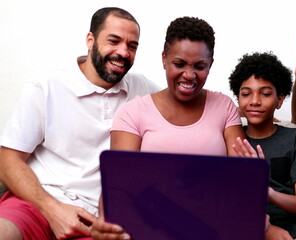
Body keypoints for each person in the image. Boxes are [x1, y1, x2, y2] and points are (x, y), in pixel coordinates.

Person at [0, 7, 161, 240]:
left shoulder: (143, 90)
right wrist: (52, 209)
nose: (123, 52)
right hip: (37, 203)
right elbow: (7, 161)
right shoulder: (46, 86)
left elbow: (186, 103)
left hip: (95, 222)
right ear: (90, 40)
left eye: (132, 46)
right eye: (113, 41)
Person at [91, 16, 245, 240]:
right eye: (179, 64)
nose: (189, 75)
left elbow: (239, 178)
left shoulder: (224, 107)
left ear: (210, 64)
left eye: (200, 66)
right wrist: (108, 222)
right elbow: (117, 185)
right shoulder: (133, 113)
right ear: (164, 59)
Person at [229, 52, 296, 240]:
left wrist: (267, 190)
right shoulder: (232, 140)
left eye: (265, 93)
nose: (255, 100)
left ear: (279, 100)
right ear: (238, 99)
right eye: (246, 93)